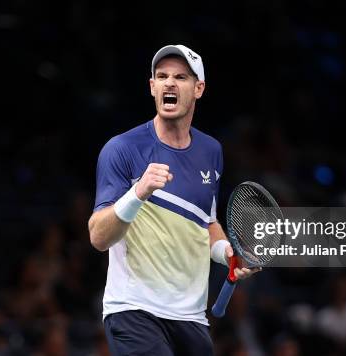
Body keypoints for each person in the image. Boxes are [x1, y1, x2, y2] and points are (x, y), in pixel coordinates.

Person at [88, 44, 260, 356]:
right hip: (134, 310)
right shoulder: (122, 148)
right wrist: (137, 193)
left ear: (198, 89)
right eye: (162, 76)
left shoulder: (211, 152)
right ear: (152, 86)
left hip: (191, 317)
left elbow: (205, 223)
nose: (169, 83)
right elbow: (99, 237)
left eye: (180, 77)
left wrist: (229, 255)